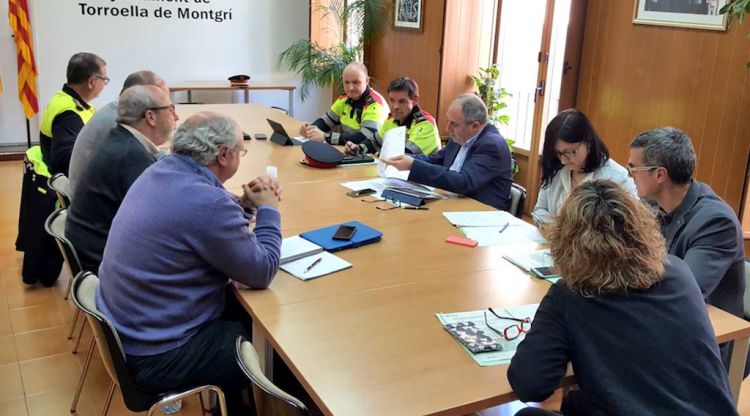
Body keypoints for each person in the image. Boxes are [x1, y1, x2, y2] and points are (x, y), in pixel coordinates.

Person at [96, 112, 282, 415]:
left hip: (131, 330)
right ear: (223, 154)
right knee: (273, 342)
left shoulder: (161, 169)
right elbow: (262, 271)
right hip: (159, 355)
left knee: (244, 311)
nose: (239, 155)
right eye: (240, 150)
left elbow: (201, 227)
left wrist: (244, 207)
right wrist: (270, 211)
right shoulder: (206, 202)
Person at [508, 180, 737, 416]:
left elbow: (530, 385)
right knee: (576, 402)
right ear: (643, 229)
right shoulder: (678, 272)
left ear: (566, 242)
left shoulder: (569, 295)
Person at [628, 127, 745, 369]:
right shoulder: (652, 204)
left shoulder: (715, 221)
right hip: (662, 317)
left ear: (660, 175)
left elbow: (684, 291)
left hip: (703, 338)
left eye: (633, 168)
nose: (629, 175)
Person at [66, 85, 178, 273]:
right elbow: (165, 221)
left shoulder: (121, 138)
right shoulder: (130, 156)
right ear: (150, 117)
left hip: (94, 247)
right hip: (104, 262)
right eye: (170, 109)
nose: (176, 117)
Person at [385, 94, 512, 210]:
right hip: (452, 203)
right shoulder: (461, 136)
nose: (447, 128)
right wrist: (403, 158)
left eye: (454, 124)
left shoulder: (492, 145)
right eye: (448, 121)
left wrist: (413, 165)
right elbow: (435, 160)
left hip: (480, 213)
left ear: (475, 126)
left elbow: (463, 182)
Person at [68, 70, 167, 197]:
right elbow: (143, 166)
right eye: (162, 98)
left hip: (94, 192)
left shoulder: (116, 111)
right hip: (94, 200)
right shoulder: (118, 121)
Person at [532, 109, 636, 224]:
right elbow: (539, 210)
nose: (563, 161)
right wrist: (557, 231)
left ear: (588, 142)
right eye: (559, 153)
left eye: (570, 152)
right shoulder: (556, 168)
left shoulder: (618, 178)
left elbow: (628, 226)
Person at [39, 52, 108, 176]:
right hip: (74, 183)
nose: (105, 84)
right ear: (92, 81)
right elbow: (64, 161)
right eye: (105, 79)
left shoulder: (64, 99)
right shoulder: (69, 114)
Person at [344, 77, 441, 156]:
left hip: (420, 179)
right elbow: (374, 142)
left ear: (415, 100)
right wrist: (357, 148)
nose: (395, 107)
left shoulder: (426, 125)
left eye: (402, 101)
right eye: (392, 100)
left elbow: (404, 156)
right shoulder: (392, 120)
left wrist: (381, 153)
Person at [299, 62, 388, 146]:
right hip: (349, 150)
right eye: (346, 82)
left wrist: (327, 137)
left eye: (356, 82)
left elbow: (365, 138)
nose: (351, 88)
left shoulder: (375, 104)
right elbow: (326, 121)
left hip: (372, 155)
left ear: (367, 80)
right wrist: (311, 129)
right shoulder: (344, 99)